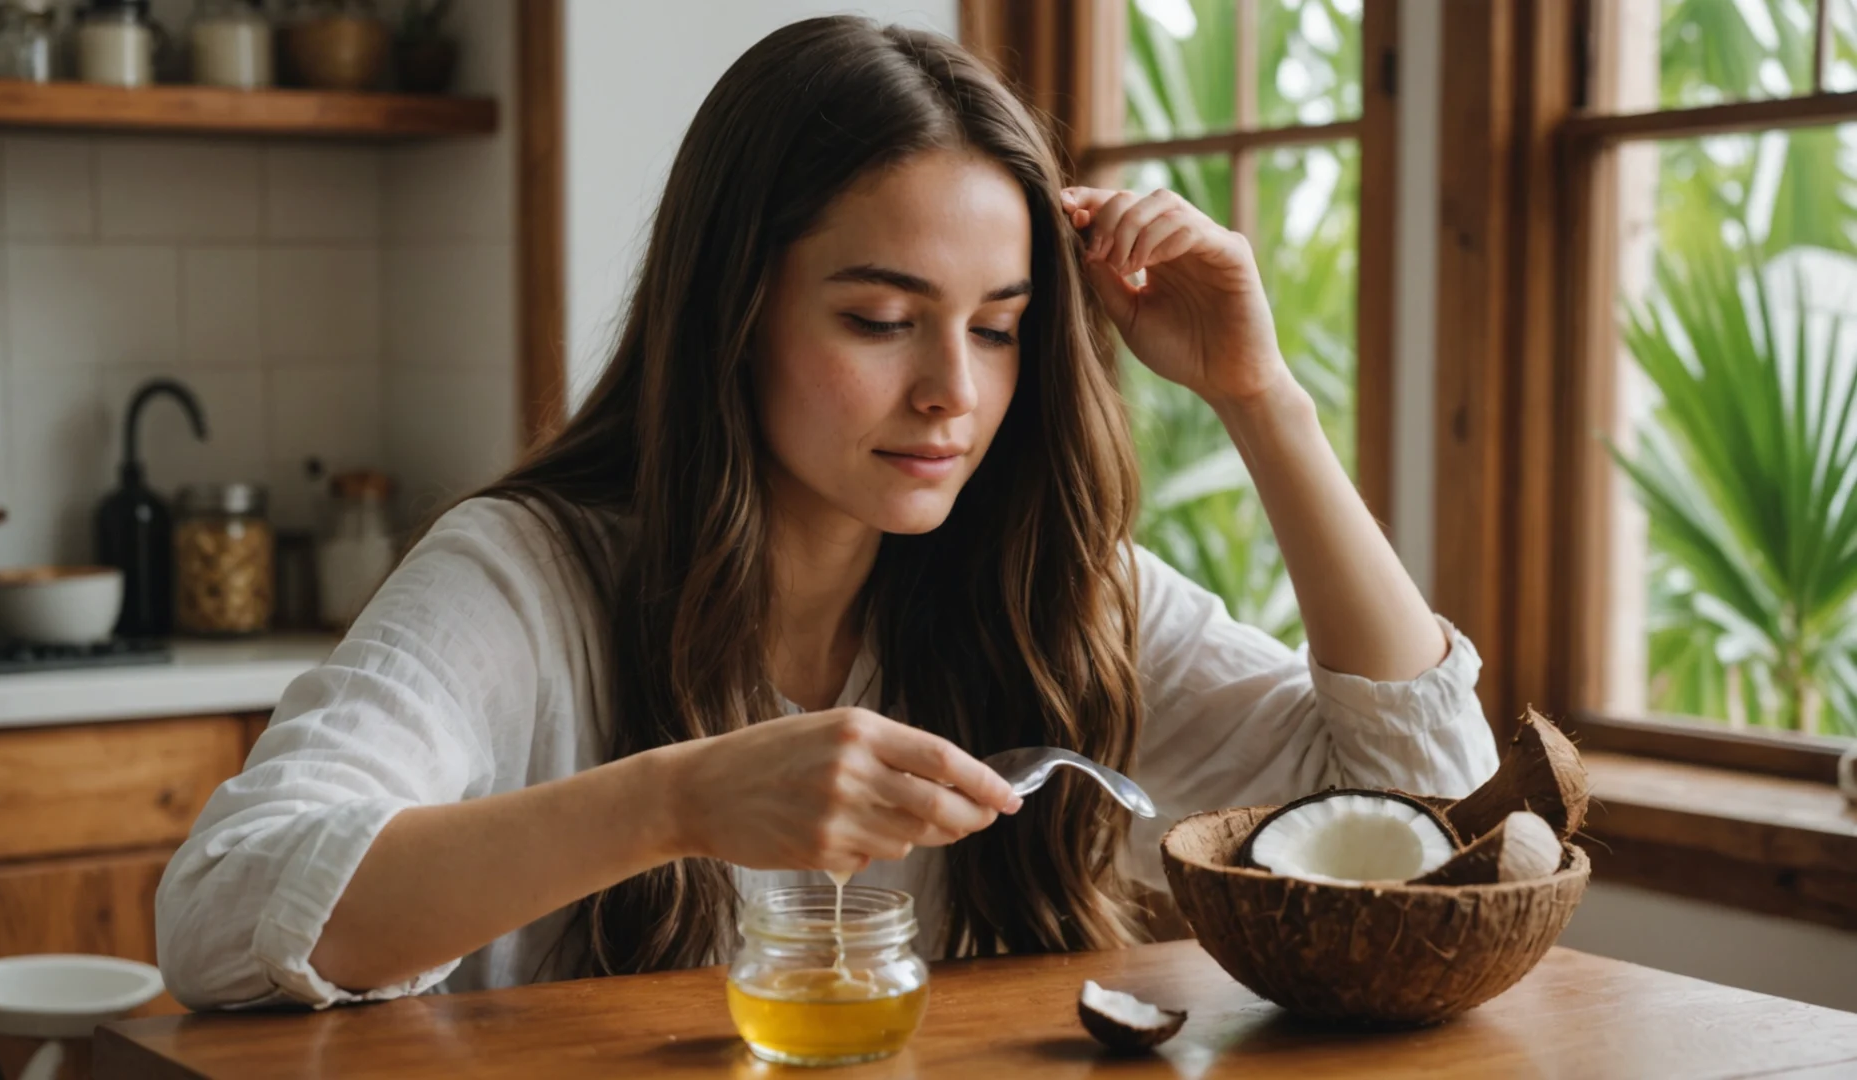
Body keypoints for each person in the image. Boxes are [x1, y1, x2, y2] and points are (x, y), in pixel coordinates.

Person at [155, 15, 1498, 1010]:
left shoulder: (1050, 585)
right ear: (732, 313)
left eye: (998, 329)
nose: (949, 395)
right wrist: (678, 799)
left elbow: (1421, 827)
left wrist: (1261, 399)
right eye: (879, 320)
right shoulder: (525, 578)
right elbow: (223, 915)